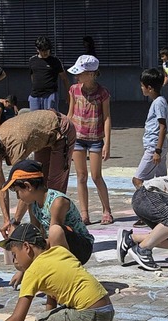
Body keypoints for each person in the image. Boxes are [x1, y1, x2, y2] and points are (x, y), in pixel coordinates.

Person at [0, 223, 125, 321]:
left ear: (26, 247)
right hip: (107, 310)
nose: (14, 260)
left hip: (88, 313)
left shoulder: (33, 272)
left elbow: (17, 319)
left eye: (14, 254)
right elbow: (53, 294)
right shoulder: (59, 251)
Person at [0, 109, 76, 238]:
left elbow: (27, 189)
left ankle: (56, 235)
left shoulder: (14, 147)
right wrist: (6, 220)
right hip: (43, 137)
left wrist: (15, 222)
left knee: (51, 190)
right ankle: (39, 233)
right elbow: (2, 188)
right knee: (39, 185)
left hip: (61, 130)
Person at [1, 160, 94, 278]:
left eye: (18, 191)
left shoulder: (57, 201)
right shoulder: (32, 204)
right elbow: (34, 234)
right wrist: (23, 267)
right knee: (26, 239)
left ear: (28, 186)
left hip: (80, 248)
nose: (18, 196)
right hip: (58, 245)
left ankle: (63, 277)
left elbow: (53, 237)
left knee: (54, 232)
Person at [67, 55, 112, 225]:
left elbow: (107, 117)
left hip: (95, 138)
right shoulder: (74, 89)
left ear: (91, 74)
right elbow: (70, 113)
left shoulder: (102, 93)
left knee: (96, 176)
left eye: (81, 73)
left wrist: (107, 142)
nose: (77, 76)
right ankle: (84, 213)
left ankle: (106, 210)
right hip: (77, 138)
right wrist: (65, 135)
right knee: (81, 176)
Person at [132, 68, 168, 190]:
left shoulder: (158, 103)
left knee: (138, 179)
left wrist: (157, 151)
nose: (141, 88)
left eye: (142, 86)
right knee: (160, 180)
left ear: (150, 88)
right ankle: (162, 201)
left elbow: (162, 126)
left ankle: (148, 200)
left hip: (154, 147)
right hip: (157, 145)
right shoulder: (159, 101)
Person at [28, 36, 70, 111]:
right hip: (35, 95)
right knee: (34, 120)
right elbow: (32, 76)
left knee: (51, 119)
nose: (45, 52)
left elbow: (64, 78)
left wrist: (68, 94)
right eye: (43, 50)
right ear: (37, 49)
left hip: (50, 94)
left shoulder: (55, 61)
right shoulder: (32, 60)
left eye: (47, 50)